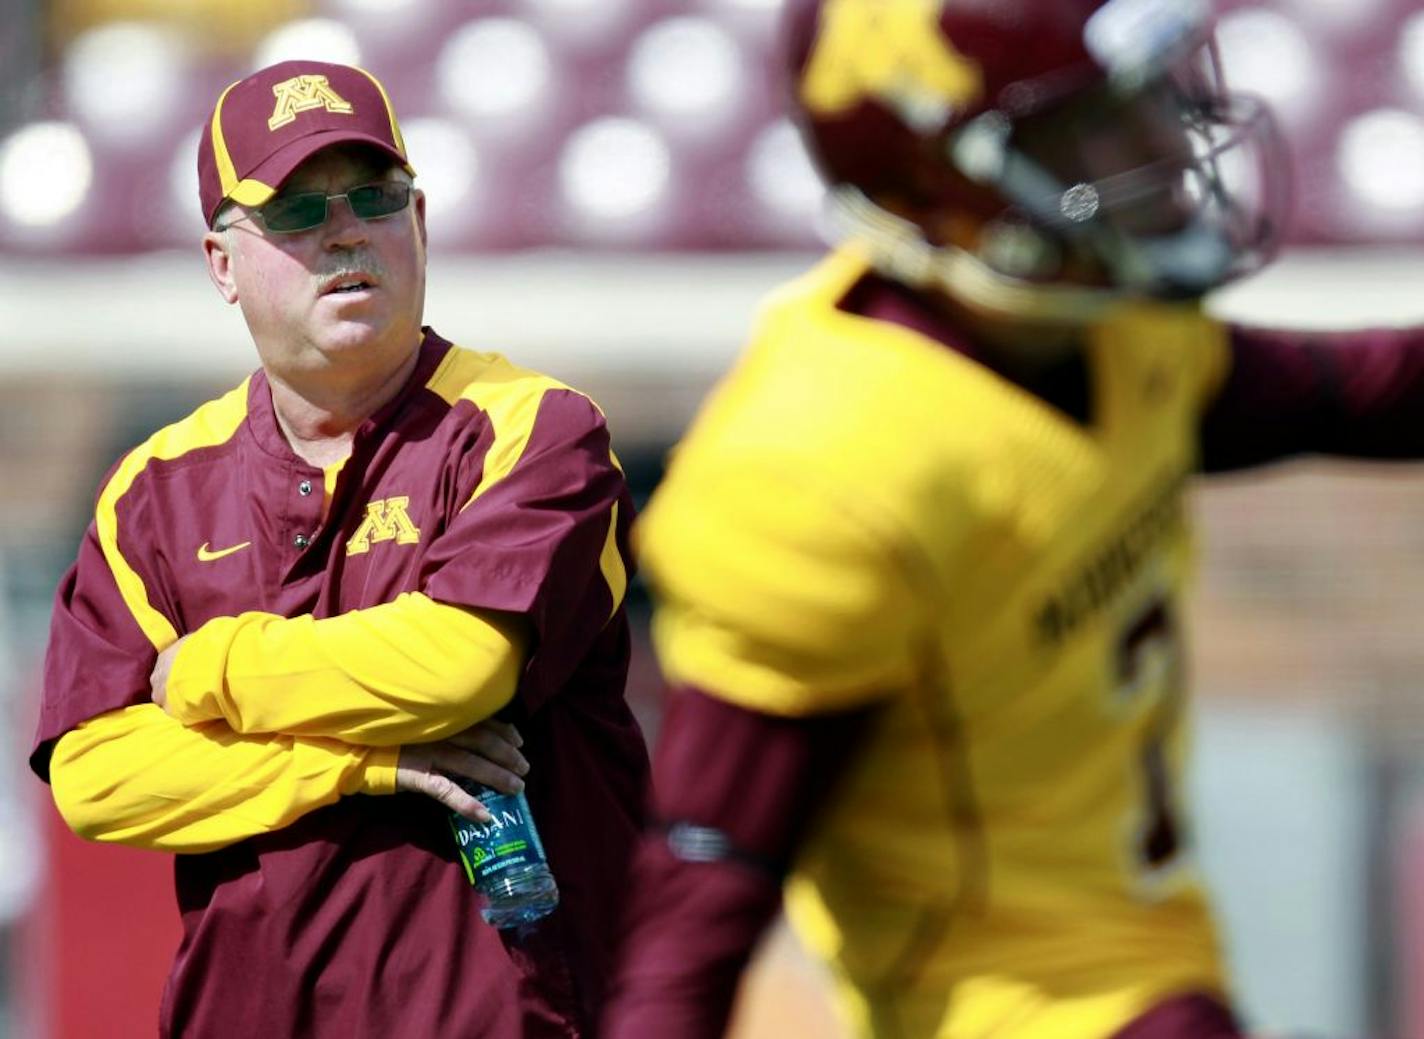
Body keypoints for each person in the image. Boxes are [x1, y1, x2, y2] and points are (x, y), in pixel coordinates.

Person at [602, 1, 1424, 1037]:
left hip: (1145, 953)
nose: (1166, 144)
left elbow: (1352, 391)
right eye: (1095, 124)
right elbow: (705, 874)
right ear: (954, 176)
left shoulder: (1103, 330)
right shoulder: (824, 465)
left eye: (1146, 103)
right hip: (1006, 1004)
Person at [30, 59, 648, 1038]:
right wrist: (367, 760)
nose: (344, 230)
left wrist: (208, 669)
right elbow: (97, 776)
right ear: (221, 263)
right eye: (293, 212)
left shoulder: (533, 427)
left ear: (420, 225)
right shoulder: (153, 488)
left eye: (374, 196)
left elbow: (459, 667)